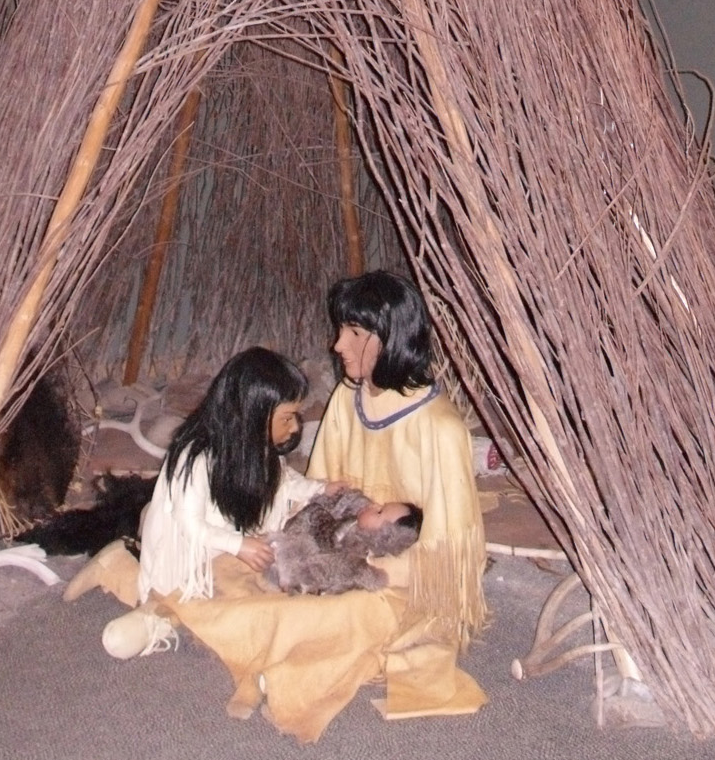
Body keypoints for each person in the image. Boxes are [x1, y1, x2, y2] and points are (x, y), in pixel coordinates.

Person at [307, 270, 488, 644]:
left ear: (392, 339)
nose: (338, 344)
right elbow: (319, 493)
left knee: (336, 622)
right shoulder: (347, 397)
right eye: (342, 329)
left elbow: (447, 555)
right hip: (343, 548)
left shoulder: (441, 428)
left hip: (401, 577)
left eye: (354, 333)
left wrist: (370, 568)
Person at [136, 346, 326, 605]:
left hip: (226, 541)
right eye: (287, 418)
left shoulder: (255, 444)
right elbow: (189, 526)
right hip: (191, 555)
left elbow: (284, 480)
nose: (294, 427)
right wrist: (238, 545)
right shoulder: (196, 458)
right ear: (253, 416)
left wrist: (320, 490)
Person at [265, 486, 424, 595]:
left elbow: (338, 569)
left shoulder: (358, 552)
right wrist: (330, 490)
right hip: (304, 519)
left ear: (382, 536)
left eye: (380, 511)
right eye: (380, 505)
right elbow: (342, 500)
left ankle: (285, 568)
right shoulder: (358, 512)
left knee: (300, 542)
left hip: (306, 544)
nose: (374, 505)